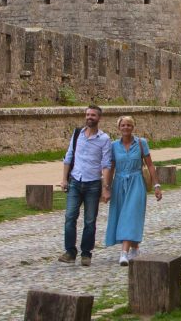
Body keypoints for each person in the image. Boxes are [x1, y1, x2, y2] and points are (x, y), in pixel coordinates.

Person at [58, 105, 112, 266]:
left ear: (99, 118)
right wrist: (64, 179)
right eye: (87, 114)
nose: (89, 117)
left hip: (93, 184)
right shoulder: (77, 134)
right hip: (75, 181)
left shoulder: (104, 139)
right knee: (70, 217)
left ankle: (86, 253)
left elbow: (106, 164)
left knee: (90, 220)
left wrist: (106, 187)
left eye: (93, 115)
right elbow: (68, 157)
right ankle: (70, 251)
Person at [105, 115, 163, 266]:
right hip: (119, 183)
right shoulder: (113, 146)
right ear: (119, 128)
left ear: (133, 127)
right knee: (122, 215)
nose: (126, 128)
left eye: (129, 125)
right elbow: (111, 168)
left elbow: (150, 165)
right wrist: (107, 188)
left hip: (136, 182)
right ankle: (135, 249)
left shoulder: (141, 143)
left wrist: (156, 185)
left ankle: (124, 253)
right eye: (123, 125)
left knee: (130, 215)